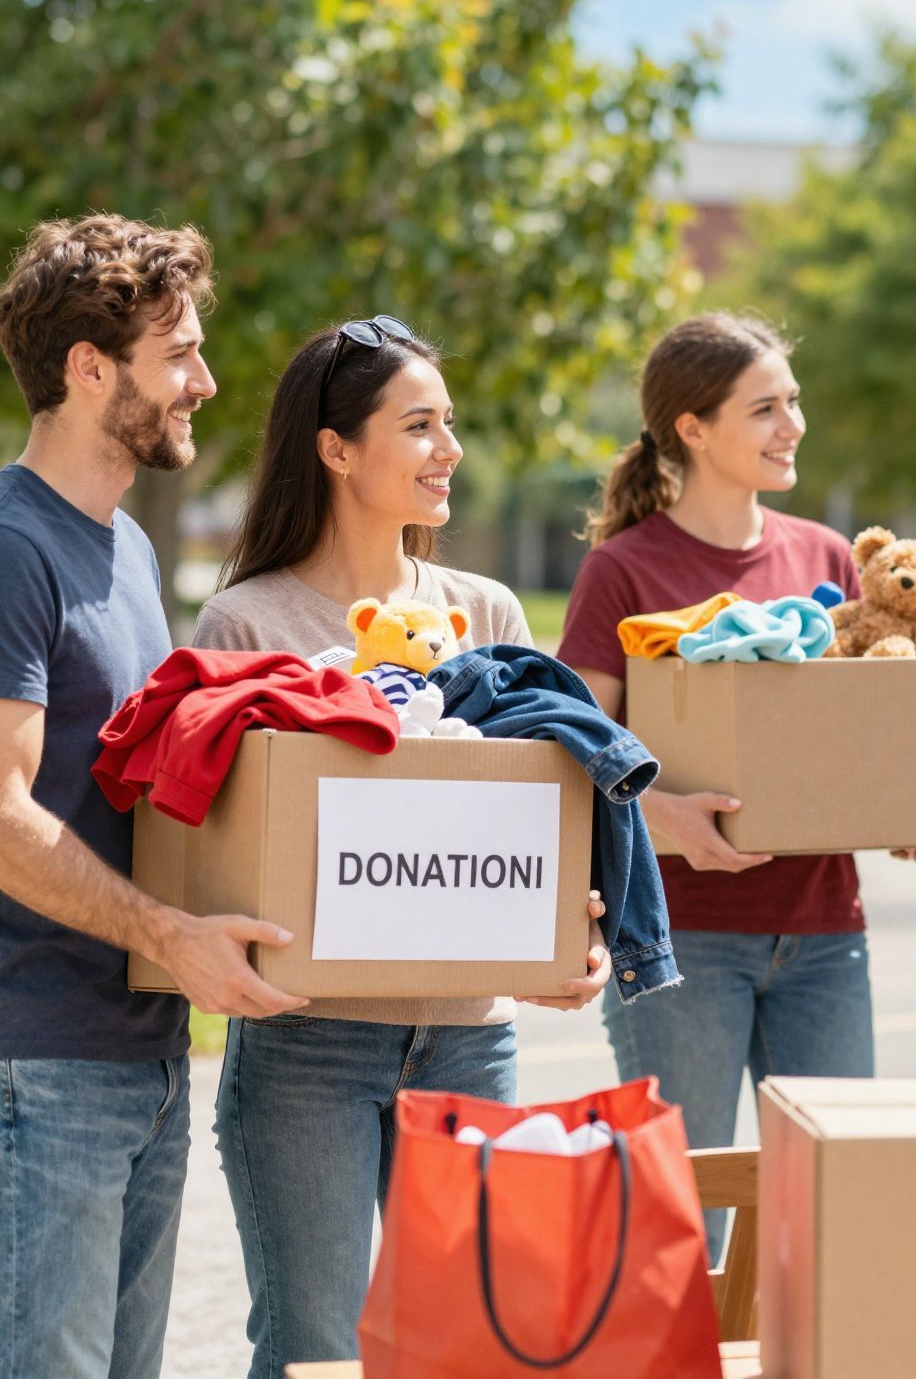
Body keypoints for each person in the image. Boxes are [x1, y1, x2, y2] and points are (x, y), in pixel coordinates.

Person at [193, 316, 610, 1379]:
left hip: (471, 1036)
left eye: (450, 425)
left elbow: (540, 808)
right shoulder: (245, 624)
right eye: (419, 426)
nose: (449, 450)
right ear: (336, 449)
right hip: (306, 1048)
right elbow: (207, 839)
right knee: (313, 1350)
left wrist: (571, 924)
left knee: (469, 1348)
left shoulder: (487, 611)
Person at [0, 216, 301, 1379]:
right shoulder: (15, 544)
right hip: (40, 1067)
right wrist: (169, 935)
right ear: (89, 369)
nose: (205, 381)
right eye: (177, 353)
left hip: (146, 1055)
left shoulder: (122, 548)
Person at [557, 312, 870, 1262]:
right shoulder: (623, 570)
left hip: (825, 933)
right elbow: (572, 752)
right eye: (766, 408)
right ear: (692, 429)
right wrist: (666, 819)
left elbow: (870, 734)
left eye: (794, 402)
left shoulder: (829, 559)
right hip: (678, 935)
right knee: (687, 1219)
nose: (793, 425)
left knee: (834, 1209)